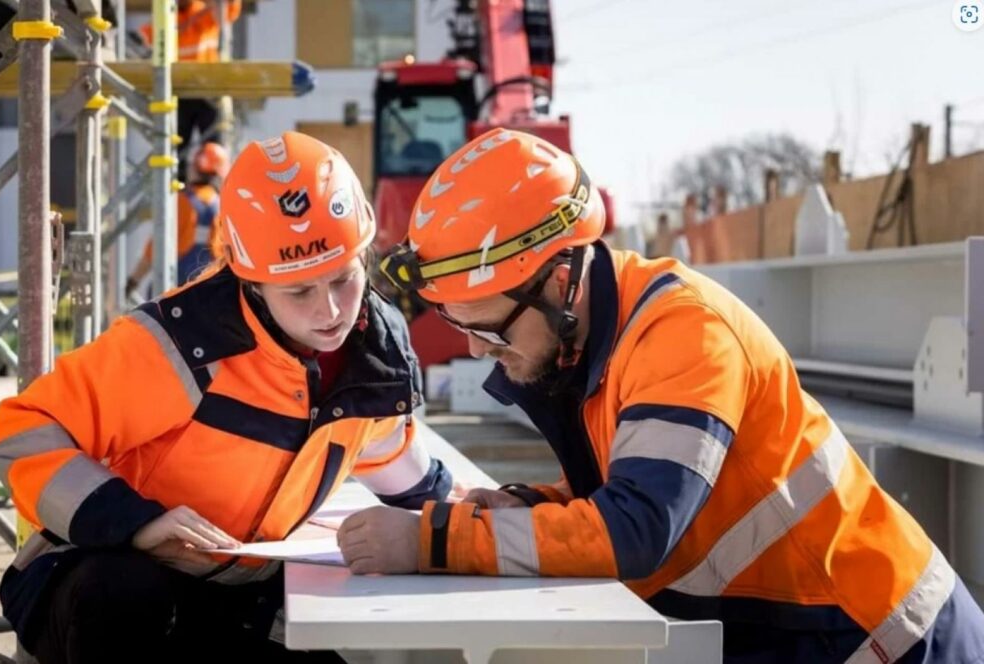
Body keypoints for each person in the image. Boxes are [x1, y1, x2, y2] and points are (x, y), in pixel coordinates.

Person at [337, 128, 984, 662]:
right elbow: (627, 493)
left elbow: (637, 528)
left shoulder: (686, 335)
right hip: (802, 632)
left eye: (488, 328)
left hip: (886, 638)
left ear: (561, 280)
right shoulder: (597, 342)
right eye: (458, 326)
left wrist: (432, 540)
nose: (477, 351)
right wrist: (523, 504)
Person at [0, 131, 453, 663]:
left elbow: (389, 452)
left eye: (344, 279)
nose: (330, 311)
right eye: (298, 291)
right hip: (100, 586)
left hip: (232, 595)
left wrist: (462, 512)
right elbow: (22, 431)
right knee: (125, 591)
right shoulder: (180, 344)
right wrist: (135, 524)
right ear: (250, 280)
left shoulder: (375, 359)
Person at [125, 141, 229, 299]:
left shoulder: (182, 201)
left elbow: (155, 247)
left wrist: (133, 280)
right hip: (207, 291)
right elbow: (223, 255)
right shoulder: (221, 206)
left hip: (174, 289)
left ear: (195, 167)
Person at [138, 0, 242, 154]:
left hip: (207, 92)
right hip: (180, 93)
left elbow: (230, 11)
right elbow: (144, 38)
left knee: (212, 147)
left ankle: (210, 175)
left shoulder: (203, 13)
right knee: (177, 148)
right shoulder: (166, 18)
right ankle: (177, 176)